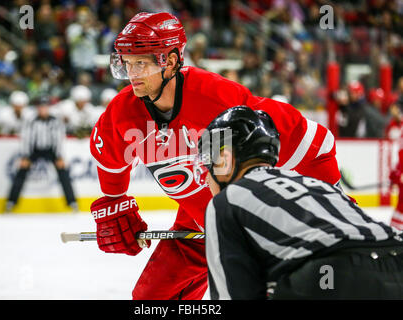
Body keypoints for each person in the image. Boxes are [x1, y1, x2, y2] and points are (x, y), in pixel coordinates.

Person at [89, 12, 341, 300]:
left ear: (170, 61)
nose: (132, 74)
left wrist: (333, 204)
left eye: (141, 63)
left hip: (257, 228)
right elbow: (109, 159)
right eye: (127, 63)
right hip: (198, 223)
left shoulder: (218, 99)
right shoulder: (122, 112)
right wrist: (115, 201)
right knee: (152, 300)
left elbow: (317, 143)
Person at [196, 106, 403, 299]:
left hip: (332, 272)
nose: (206, 178)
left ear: (224, 160)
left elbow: (231, 294)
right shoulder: (315, 183)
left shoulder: (227, 200)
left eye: (209, 165)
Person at [5, 96, 78, 213]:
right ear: (37, 108)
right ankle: (11, 202)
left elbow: (59, 139)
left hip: (51, 151)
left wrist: (59, 156)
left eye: (45, 107)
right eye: (40, 107)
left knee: (63, 172)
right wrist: (25, 156)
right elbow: (26, 139)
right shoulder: (31, 121)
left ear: (48, 108)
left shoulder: (55, 121)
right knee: (21, 171)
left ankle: (72, 202)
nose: (42, 110)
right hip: (34, 150)